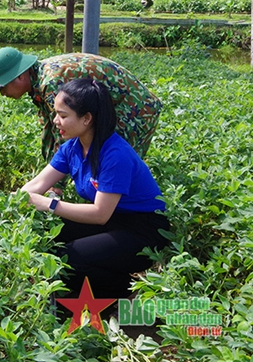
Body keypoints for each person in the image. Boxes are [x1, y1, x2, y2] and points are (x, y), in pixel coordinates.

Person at [21, 78, 171, 299]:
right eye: (56, 114)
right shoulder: (71, 148)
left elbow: (100, 214)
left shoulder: (115, 154)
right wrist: (5, 207)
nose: (55, 121)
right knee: (48, 238)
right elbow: (35, 185)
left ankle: (121, 290)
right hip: (115, 220)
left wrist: (50, 204)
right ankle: (91, 286)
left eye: (63, 116)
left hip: (144, 229)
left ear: (86, 119)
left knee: (67, 258)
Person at [0, 48, 161, 161]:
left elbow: (66, 135)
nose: (3, 94)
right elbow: (50, 130)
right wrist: (48, 172)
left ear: (20, 76)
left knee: (117, 163)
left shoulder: (51, 82)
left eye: (2, 87)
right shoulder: (39, 82)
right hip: (114, 107)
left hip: (135, 110)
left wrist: (55, 186)